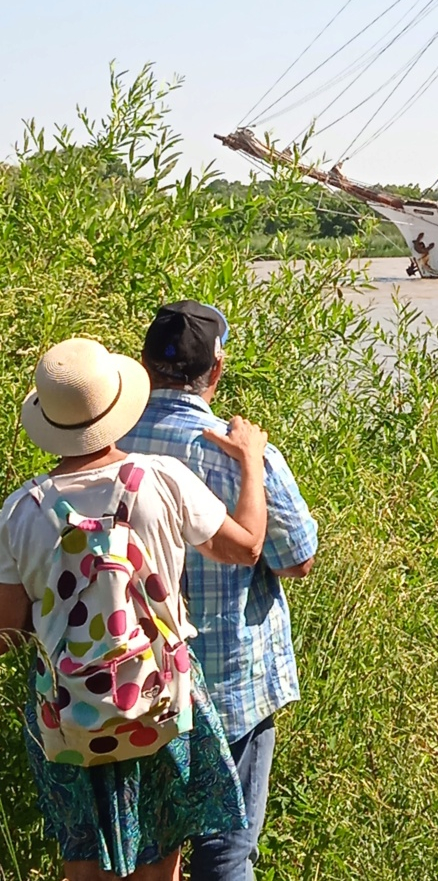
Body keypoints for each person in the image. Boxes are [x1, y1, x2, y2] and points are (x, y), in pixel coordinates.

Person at [0, 336, 269, 879]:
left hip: (67, 710)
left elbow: (6, 630)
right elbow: (247, 547)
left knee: (82, 864)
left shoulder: (20, 511)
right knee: (159, 862)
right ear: (117, 408)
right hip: (158, 701)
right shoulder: (161, 481)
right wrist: (253, 464)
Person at [122, 302, 318, 881]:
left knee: (147, 850)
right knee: (226, 852)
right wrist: (253, 464)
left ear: (143, 365)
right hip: (230, 683)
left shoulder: (105, 446)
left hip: (130, 683)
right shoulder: (238, 452)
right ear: (218, 369)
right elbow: (297, 560)